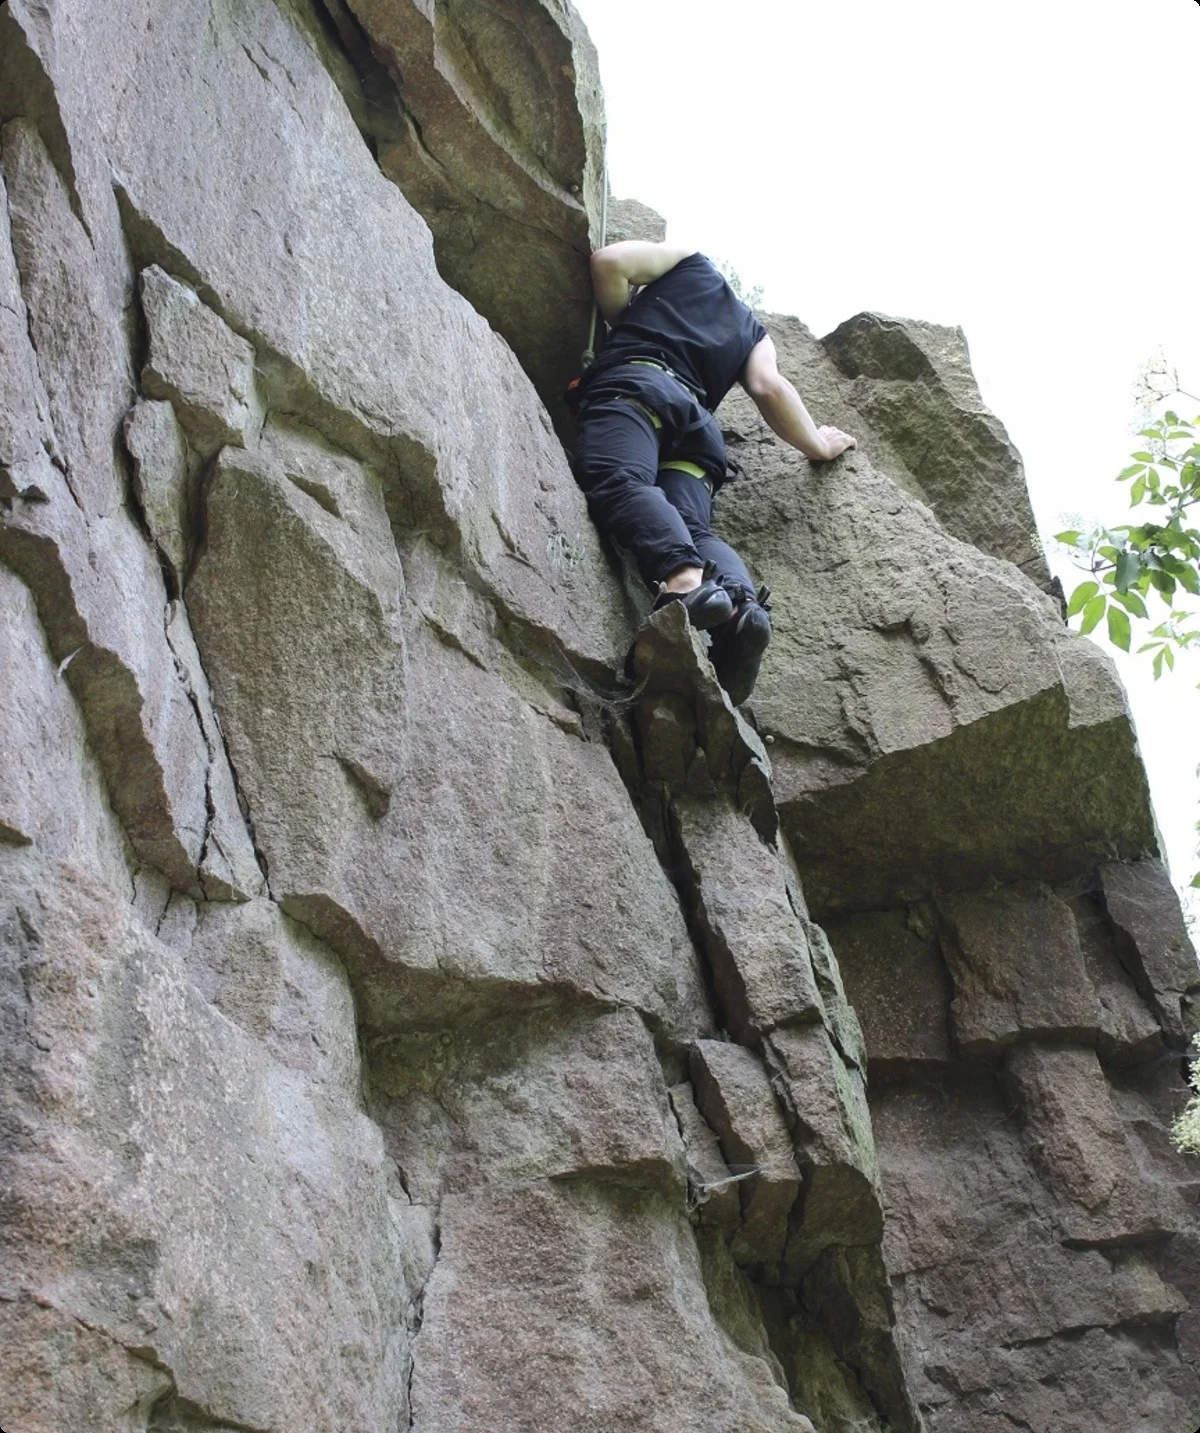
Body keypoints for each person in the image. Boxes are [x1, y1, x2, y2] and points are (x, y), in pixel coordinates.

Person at [570, 240, 857, 705]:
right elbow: (768, 386)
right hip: (698, 433)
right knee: (695, 529)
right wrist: (819, 445)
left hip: (639, 387)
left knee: (620, 480)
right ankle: (743, 612)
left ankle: (685, 582)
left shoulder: (689, 263)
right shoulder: (754, 332)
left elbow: (610, 262)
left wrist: (624, 322)